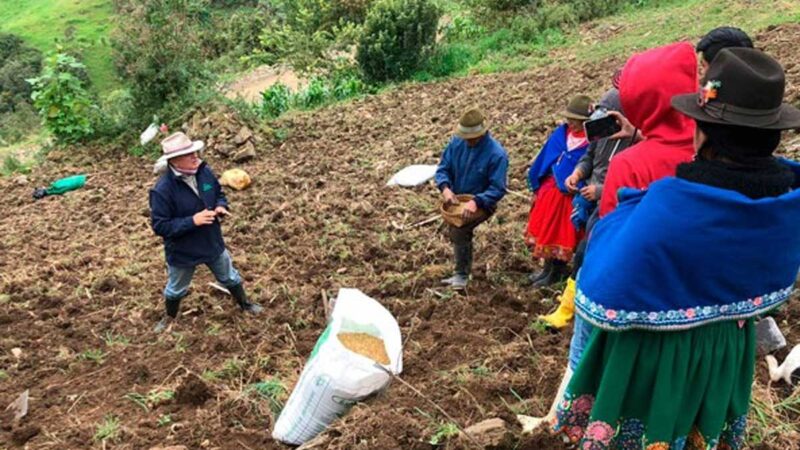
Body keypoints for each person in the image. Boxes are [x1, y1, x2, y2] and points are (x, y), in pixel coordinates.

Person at [552, 47, 800, 448]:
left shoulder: (670, 205)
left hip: (661, 351)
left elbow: (602, 283)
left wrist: (627, 211)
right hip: (727, 348)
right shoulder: (785, 203)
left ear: (705, 134)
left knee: (653, 433)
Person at [518, 42, 698, 433]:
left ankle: (560, 423)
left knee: (583, 353)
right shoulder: (704, 150)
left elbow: (612, 238)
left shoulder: (633, 162)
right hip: (681, 294)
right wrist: (639, 132)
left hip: (622, 285)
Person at [150, 132, 262, 333]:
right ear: (174, 161)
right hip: (183, 250)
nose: (196, 157)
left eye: (195, 152)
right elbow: (160, 226)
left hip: (211, 241)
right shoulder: (162, 190)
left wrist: (220, 206)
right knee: (176, 288)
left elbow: (218, 193)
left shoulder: (204, 172)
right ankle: (169, 318)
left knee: (229, 276)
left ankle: (245, 304)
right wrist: (192, 221)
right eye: (189, 154)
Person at [539, 87, 632, 329]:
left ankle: (569, 308)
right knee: (581, 244)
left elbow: (633, 177)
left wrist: (601, 190)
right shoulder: (600, 131)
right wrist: (577, 173)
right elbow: (589, 157)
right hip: (588, 196)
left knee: (586, 250)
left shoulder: (633, 140)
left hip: (611, 201)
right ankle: (575, 295)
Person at [435, 108, 509, 290]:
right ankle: (460, 270)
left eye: (472, 137)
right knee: (455, 227)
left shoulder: (496, 154)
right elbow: (443, 169)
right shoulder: (456, 144)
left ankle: (462, 274)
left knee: (461, 228)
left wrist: (477, 201)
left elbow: (497, 188)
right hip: (458, 199)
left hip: (483, 201)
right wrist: (445, 188)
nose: (469, 141)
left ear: (482, 134)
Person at [524, 95, 592, 288]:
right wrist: (537, 183)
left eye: (575, 120)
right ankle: (547, 269)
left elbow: (589, 165)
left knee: (561, 233)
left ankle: (557, 271)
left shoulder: (590, 141)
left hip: (567, 197)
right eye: (569, 118)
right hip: (550, 191)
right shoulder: (561, 134)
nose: (571, 123)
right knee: (546, 229)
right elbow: (546, 157)